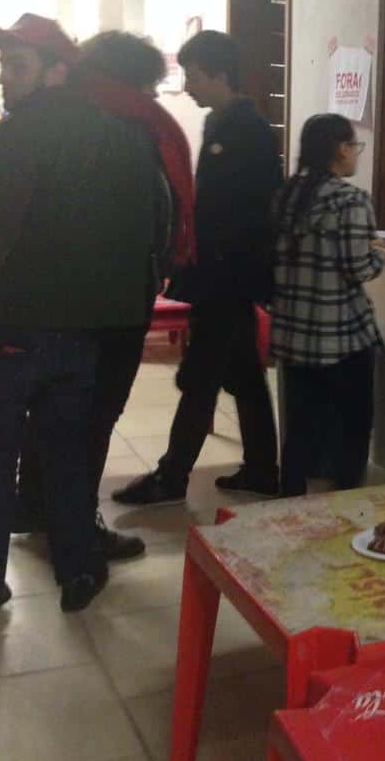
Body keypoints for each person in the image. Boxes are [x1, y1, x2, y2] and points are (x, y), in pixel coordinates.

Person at [0, 13, 160, 612]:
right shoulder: (123, 134)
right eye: (3, 64)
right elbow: (142, 235)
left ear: (58, 71)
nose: (4, 77)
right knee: (66, 456)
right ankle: (78, 570)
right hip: (79, 336)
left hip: (7, 330)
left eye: (17, 65)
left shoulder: (20, 133)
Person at [12, 31, 195, 563]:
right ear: (131, 80)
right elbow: (137, 223)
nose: (154, 96)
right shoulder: (126, 132)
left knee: (53, 411)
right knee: (93, 417)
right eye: (150, 84)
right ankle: (76, 529)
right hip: (110, 304)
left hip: (57, 301)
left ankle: (34, 505)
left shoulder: (63, 120)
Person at [113, 30, 282, 506]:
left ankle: (172, 476)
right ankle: (262, 470)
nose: (187, 86)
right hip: (221, 275)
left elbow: (248, 213)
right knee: (245, 376)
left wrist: (218, 270)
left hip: (227, 278)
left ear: (219, 74)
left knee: (201, 376)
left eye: (193, 75)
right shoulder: (221, 122)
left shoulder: (248, 129)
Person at [272, 114, 385, 497]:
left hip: (294, 335)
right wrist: (379, 255)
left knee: (300, 425)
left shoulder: (288, 194)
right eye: (355, 146)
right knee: (353, 426)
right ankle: (347, 499)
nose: (356, 154)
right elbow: (358, 267)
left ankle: (290, 497)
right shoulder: (350, 200)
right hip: (342, 339)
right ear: (340, 149)